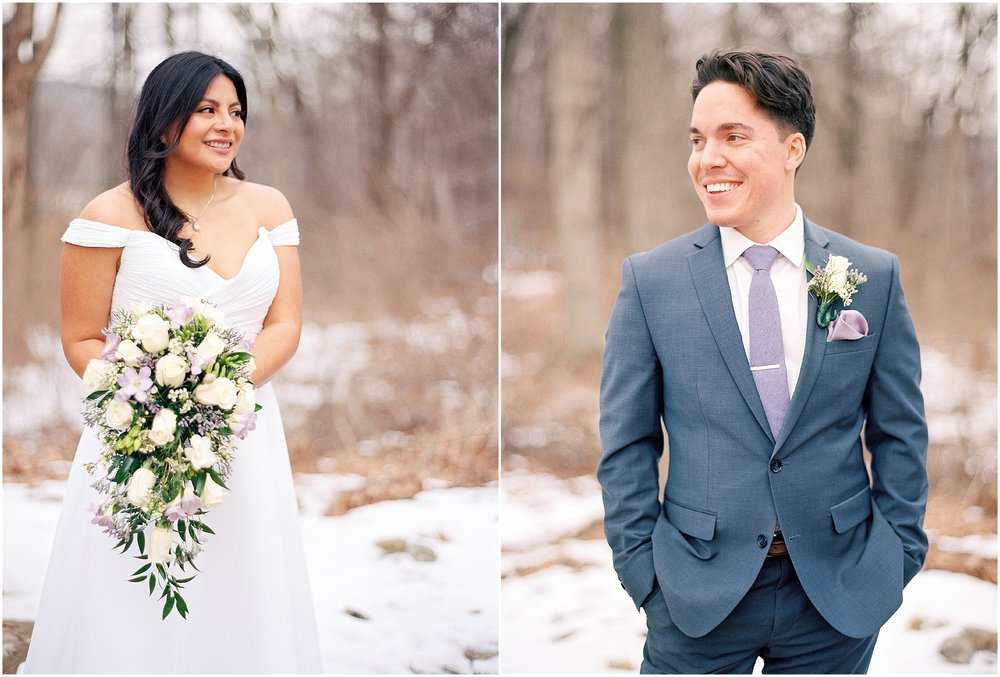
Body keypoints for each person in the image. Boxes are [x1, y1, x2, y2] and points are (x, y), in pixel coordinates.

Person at [598, 49, 928, 674]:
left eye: (734, 136)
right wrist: (644, 572)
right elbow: (626, 442)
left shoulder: (869, 277)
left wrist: (897, 555)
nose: (707, 158)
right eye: (697, 139)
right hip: (694, 595)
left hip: (836, 594)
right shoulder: (651, 280)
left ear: (792, 149)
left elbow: (901, 432)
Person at [21, 51, 323, 672]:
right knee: (134, 582)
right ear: (164, 122)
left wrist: (219, 390)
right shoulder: (106, 216)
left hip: (243, 430)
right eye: (207, 109)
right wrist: (153, 405)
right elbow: (80, 339)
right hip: (138, 433)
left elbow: (285, 324)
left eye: (236, 111)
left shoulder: (270, 206)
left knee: (242, 576)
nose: (226, 125)